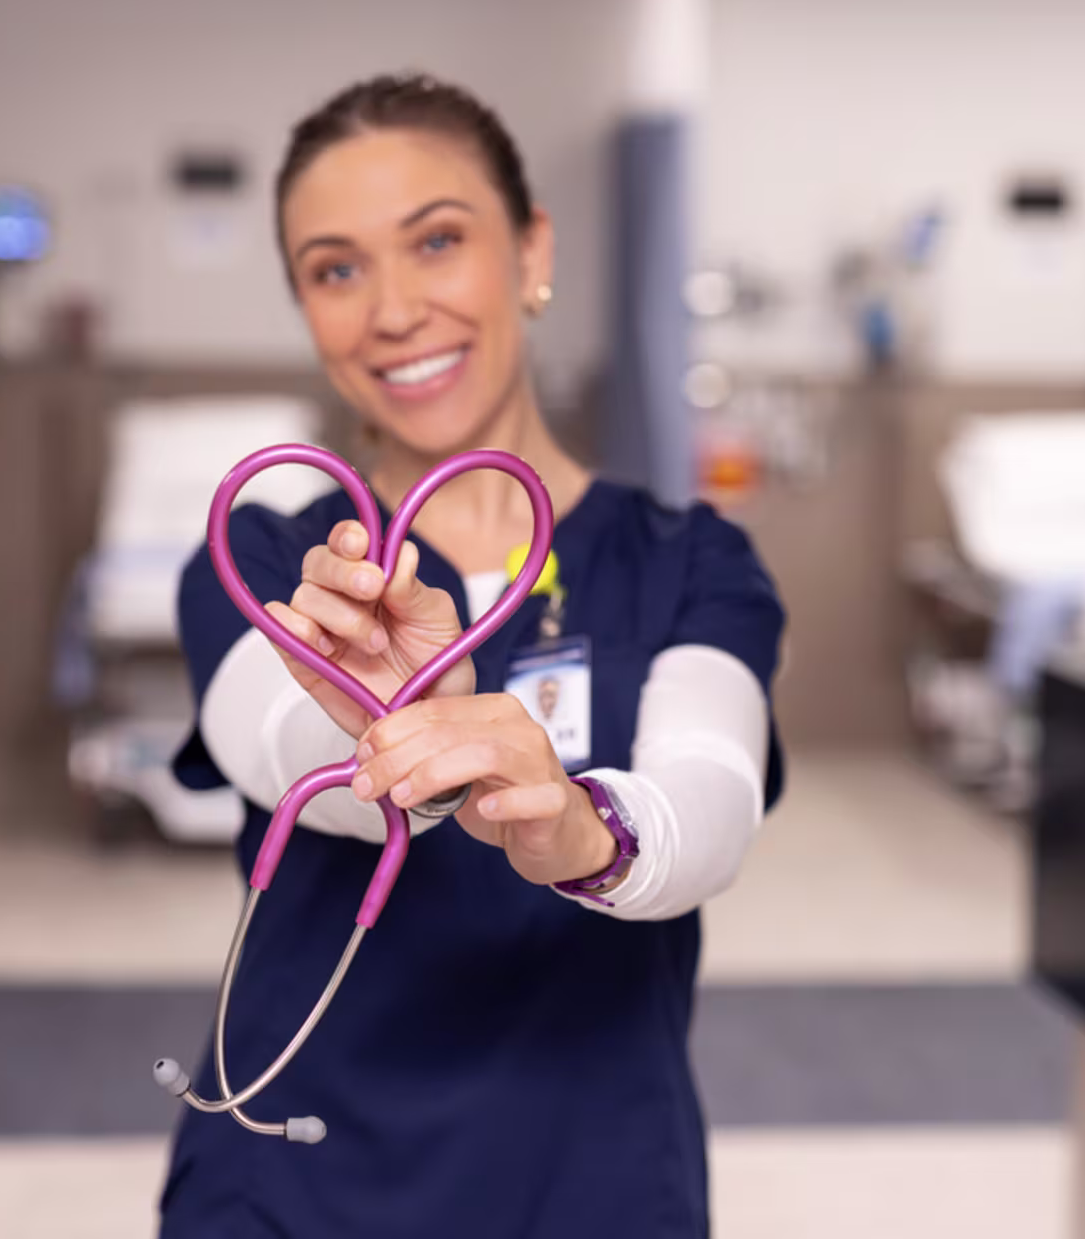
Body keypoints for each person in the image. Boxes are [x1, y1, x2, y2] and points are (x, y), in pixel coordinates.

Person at [164, 72, 786, 1238]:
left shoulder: (689, 562)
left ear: (531, 251)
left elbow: (710, 798)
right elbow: (279, 744)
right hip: (292, 1184)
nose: (393, 309)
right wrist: (389, 731)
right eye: (335, 270)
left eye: (437, 240)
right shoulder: (263, 556)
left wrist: (579, 828)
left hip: (597, 1180)